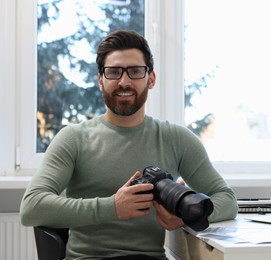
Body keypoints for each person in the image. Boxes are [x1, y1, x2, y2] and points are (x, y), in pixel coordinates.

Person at [20, 29, 238, 260]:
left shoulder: (177, 139)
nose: (124, 82)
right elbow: (32, 207)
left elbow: (226, 199)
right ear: (100, 80)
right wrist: (113, 206)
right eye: (114, 72)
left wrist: (187, 216)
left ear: (150, 79)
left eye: (135, 71)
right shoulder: (74, 138)